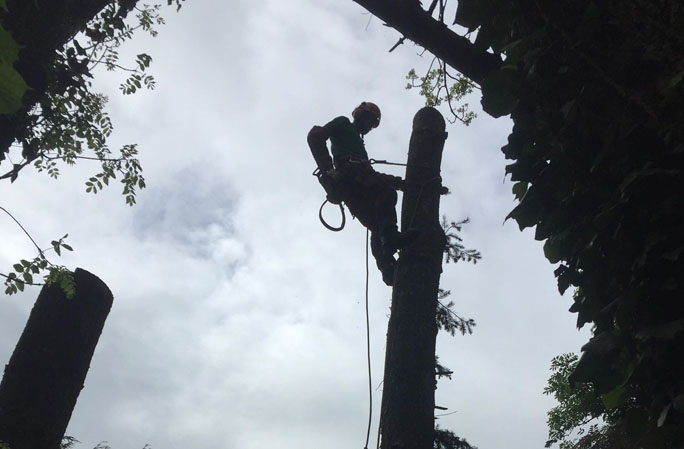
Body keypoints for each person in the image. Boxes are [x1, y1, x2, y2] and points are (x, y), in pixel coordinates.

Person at [307, 102, 415, 286]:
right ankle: (391, 239)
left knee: (376, 225)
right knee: (386, 194)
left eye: (372, 124)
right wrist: (328, 170)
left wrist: (405, 184)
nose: (368, 125)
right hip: (349, 176)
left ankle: (388, 269)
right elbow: (315, 135)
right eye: (368, 120)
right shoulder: (343, 124)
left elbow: (372, 176)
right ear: (358, 114)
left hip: (353, 184)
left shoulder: (360, 149)